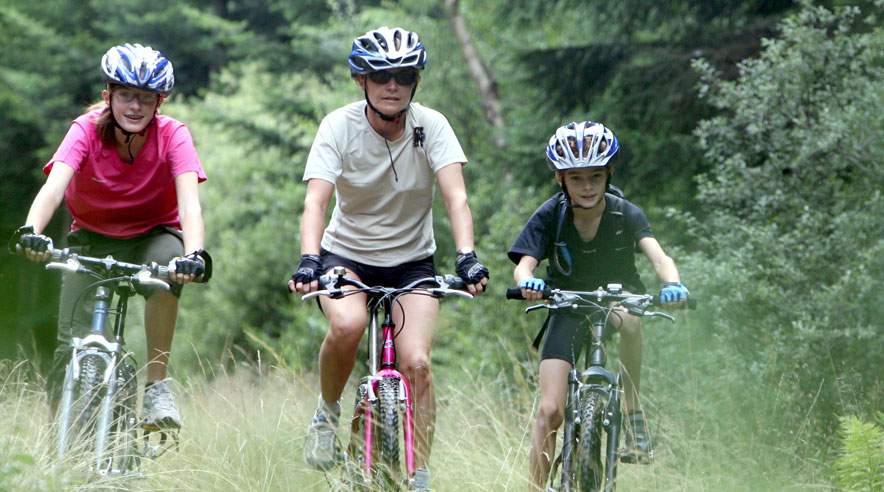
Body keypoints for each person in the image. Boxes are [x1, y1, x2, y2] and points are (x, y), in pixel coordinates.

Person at [289, 26, 490, 490]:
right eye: (380, 76)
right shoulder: (338, 125)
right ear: (361, 80)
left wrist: (466, 257)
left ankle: (419, 474)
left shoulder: (432, 125)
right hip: (346, 256)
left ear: (415, 80)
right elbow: (316, 201)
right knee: (347, 325)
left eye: (402, 75)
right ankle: (327, 413)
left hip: (412, 263)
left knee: (416, 362)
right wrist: (308, 259)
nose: (392, 85)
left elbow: (456, 197)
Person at [9, 43, 211, 430]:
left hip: (153, 235)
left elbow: (190, 206)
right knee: (69, 346)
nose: (135, 107)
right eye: (126, 96)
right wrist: (31, 232)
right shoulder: (84, 130)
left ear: (159, 103)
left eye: (145, 99)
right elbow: (54, 188)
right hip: (93, 237)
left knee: (170, 271)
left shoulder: (173, 135)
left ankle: (156, 386)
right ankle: (64, 441)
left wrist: (195, 255)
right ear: (108, 97)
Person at [507, 121, 689, 488]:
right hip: (567, 303)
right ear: (561, 179)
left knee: (632, 322)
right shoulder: (550, 215)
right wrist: (527, 282)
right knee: (550, 410)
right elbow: (524, 264)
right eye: (576, 178)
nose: (587, 186)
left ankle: (632, 409)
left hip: (620, 296)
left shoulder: (626, 213)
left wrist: (673, 284)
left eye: (595, 176)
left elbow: (659, 257)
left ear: (609, 173)